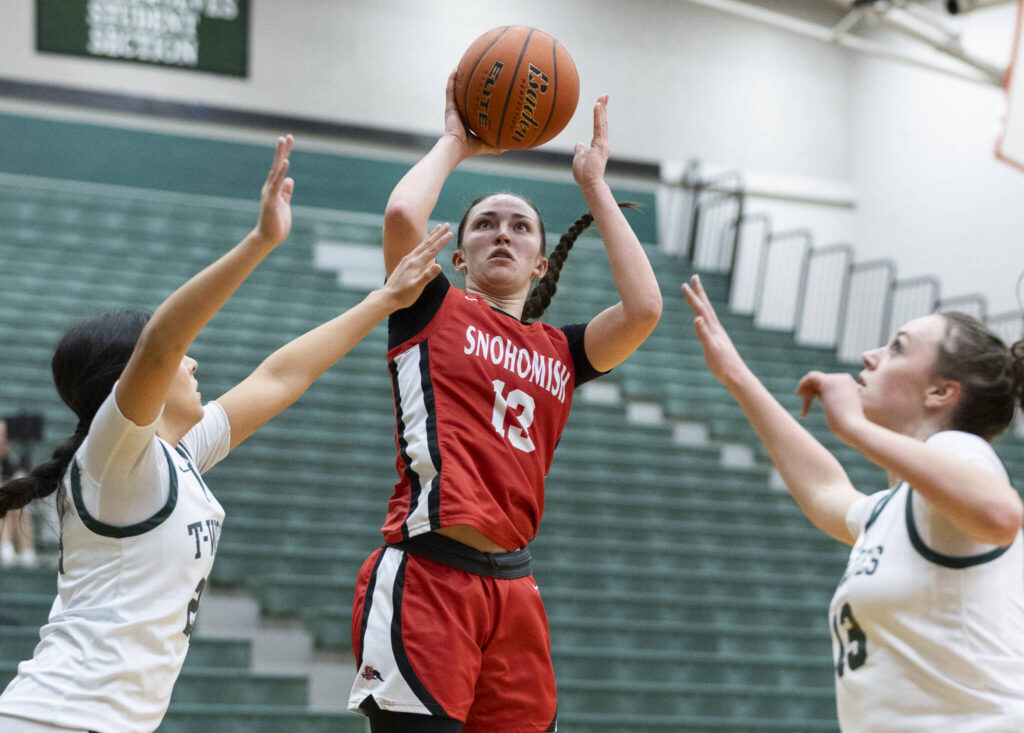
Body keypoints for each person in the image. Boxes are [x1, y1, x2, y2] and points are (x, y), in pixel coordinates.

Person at [0, 135, 452, 733]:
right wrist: (260, 241)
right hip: (55, 720)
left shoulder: (173, 456)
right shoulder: (111, 459)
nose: (192, 364)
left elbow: (280, 375)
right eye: (180, 359)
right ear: (134, 379)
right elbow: (164, 340)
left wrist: (385, 299)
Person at [347, 72, 663, 733]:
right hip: (429, 572)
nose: (502, 233)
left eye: (520, 227)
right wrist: (455, 144)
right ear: (458, 256)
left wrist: (595, 186)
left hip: (514, 588)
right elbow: (404, 218)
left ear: (541, 263)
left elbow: (643, 309)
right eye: (485, 224)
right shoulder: (431, 306)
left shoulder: (559, 351)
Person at [681, 274, 1024, 732]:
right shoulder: (898, 508)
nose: (871, 356)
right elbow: (826, 492)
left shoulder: (961, 449)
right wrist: (736, 375)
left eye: (897, 348)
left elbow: (1002, 515)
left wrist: (854, 426)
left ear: (941, 392)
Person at [0, 420, 35, 567]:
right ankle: (6, 545)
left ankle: (25, 549)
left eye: (4, 435)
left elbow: (22, 481)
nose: (3, 439)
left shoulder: (12, 460)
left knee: (17, 502)